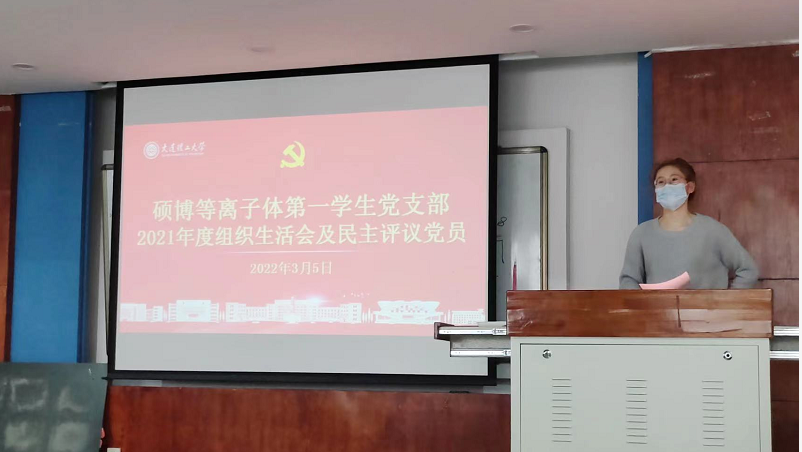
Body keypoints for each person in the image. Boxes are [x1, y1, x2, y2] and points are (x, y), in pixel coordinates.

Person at [620, 158, 758, 289]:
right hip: (657, 307)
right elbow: (628, 280)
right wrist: (640, 303)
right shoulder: (642, 233)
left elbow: (748, 270)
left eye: (674, 180)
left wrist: (726, 302)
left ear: (690, 187)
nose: (667, 186)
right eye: (661, 182)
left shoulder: (712, 230)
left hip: (706, 307)